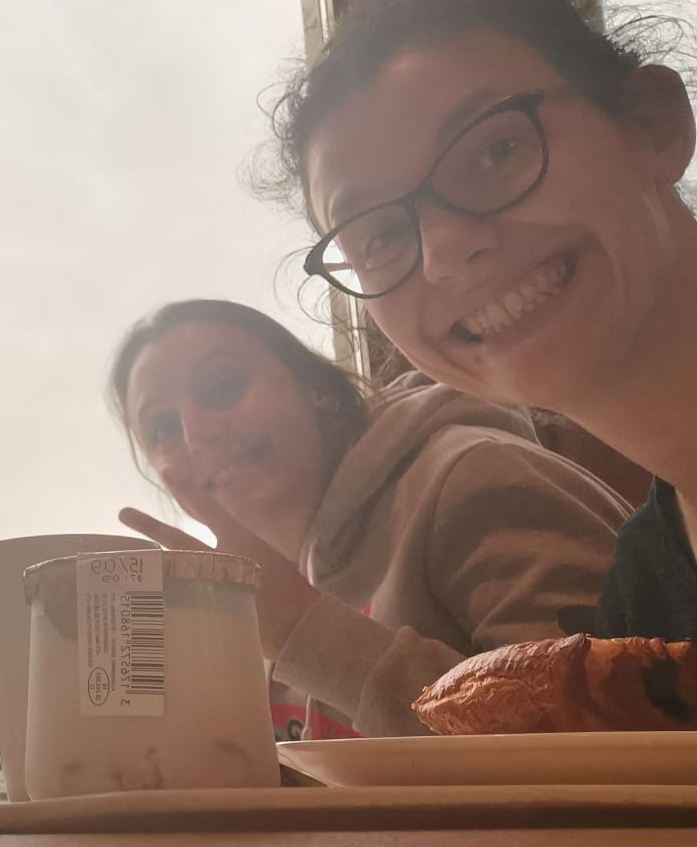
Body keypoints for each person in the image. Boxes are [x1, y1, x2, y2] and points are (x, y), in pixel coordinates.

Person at [267, 0, 697, 643]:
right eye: (380, 237)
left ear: (651, 124)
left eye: (494, 152)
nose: (444, 252)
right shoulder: (644, 594)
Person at [111, 299, 628, 736]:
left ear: (316, 389)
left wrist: (303, 631)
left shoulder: (472, 478)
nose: (197, 434)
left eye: (222, 387)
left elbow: (598, 735)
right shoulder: (253, 603)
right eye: (163, 429)